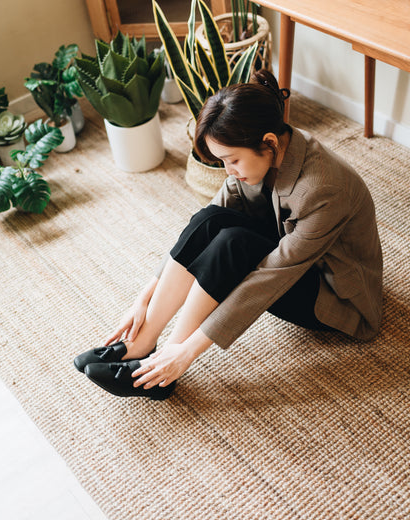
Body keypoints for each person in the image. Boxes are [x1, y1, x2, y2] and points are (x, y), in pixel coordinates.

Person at [74, 69, 383, 400]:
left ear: (269, 143)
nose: (228, 171)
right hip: (293, 250)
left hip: (338, 298)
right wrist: (145, 297)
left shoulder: (323, 189)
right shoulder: (268, 146)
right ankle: (143, 341)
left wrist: (188, 351)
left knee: (235, 244)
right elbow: (208, 220)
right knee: (212, 221)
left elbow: (269, 278)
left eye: (232, 160)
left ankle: (165, 367)